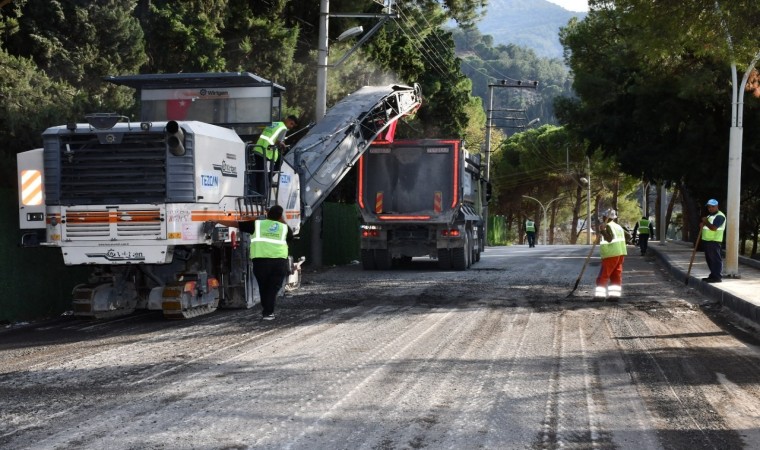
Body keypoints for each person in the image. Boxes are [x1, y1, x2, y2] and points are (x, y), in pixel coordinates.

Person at [215, 205, 293, 320]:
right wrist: (281, 220)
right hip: (279, 262)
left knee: (263, 286)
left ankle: (267, 311)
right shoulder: (285, 228)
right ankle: (268, 312)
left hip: (260, 262)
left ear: (267, 214)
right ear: (280, 216)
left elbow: (236, 224)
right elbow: (290, 238)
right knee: (273, 288)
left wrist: (217, 220)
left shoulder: (257, 224)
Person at [251, 115, 299, 195]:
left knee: (260, 172)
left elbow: (272, 137)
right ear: (287, 119)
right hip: (266, 150)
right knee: (274, 165)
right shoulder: (283, 128)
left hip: (259, 148)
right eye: (291, 123)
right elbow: (278, 141)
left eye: (293, 125)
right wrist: (283, 145)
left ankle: (262, 188)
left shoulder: (274, 123)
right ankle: (266, 184)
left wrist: (280, 142)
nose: (291, 126)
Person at [595, 208, 628, 300]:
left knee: (604, 275)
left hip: (610, 254)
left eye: (603, 216)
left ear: (605, 217)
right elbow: (628, 236)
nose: (602, 218)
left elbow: (609, 239)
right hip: (620, 253)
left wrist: (602, 230)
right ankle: (614, 296)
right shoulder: (618, 226)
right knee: (616, 275)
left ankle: (599, 296)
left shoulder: (607, 226)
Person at [701, 198, 726, 283]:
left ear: (717, 206)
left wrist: (705, 221)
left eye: (712, 206)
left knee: (715, 259)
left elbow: (713, 228)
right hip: (707, 241)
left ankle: (717, 277)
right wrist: (702, 224)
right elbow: (707, 225)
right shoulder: (710, 215)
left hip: (714, 241)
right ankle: (713, 275)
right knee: (710, 259)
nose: (710, 208)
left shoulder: (720, 216)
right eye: (709, 207)